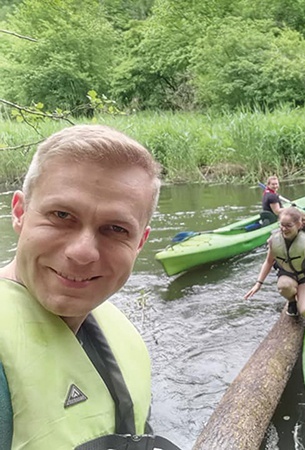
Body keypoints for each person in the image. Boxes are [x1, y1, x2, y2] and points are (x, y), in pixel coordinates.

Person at [0, 125, 181, 449]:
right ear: (20, 212)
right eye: (62, 215)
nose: (82, 252)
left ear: (140, 242)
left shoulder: (121, 333)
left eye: (115, 229)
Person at [244, 207, 305, 319]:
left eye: (289, 226)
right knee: (284, 286)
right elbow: (268, 262)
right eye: (282, 225)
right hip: (288, 276)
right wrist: (259, 283)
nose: (284, 229)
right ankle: (292, 301)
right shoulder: (274, 240)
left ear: (299, 225)